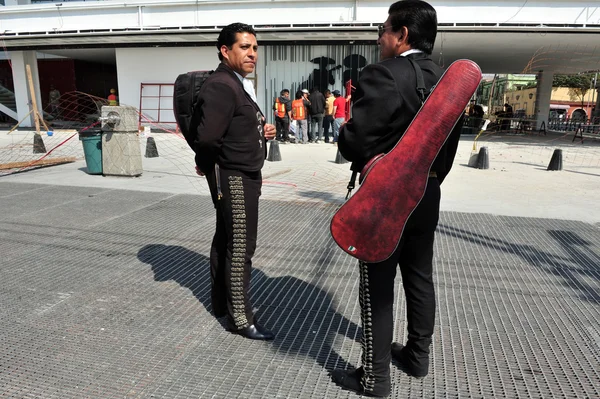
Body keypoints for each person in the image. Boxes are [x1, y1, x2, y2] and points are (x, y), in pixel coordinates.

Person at [331, 1, 462, 397]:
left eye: (383, 30)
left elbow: (355, 142)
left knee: (377, 281)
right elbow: (450, 146)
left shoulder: (383, 74)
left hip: (386, 198)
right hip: (429, 191)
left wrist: (346, 132)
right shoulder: (447, 79)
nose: (379, 37)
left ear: (402, 34)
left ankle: (375, 377)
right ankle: (417, 357)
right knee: (420, 276)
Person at [193, 22, 277, 340]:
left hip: (242, 174)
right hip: (235, 177)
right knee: (241, 246)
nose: (252, 53)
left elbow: (235, 125)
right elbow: (208, 137)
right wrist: (204, 164)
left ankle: (220, 304)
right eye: (244, 47)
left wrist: (263, 130)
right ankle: (240, 319)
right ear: (225, 50)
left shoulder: (237, 83)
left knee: (226, 240)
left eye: (254, 48)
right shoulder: (221, 85)